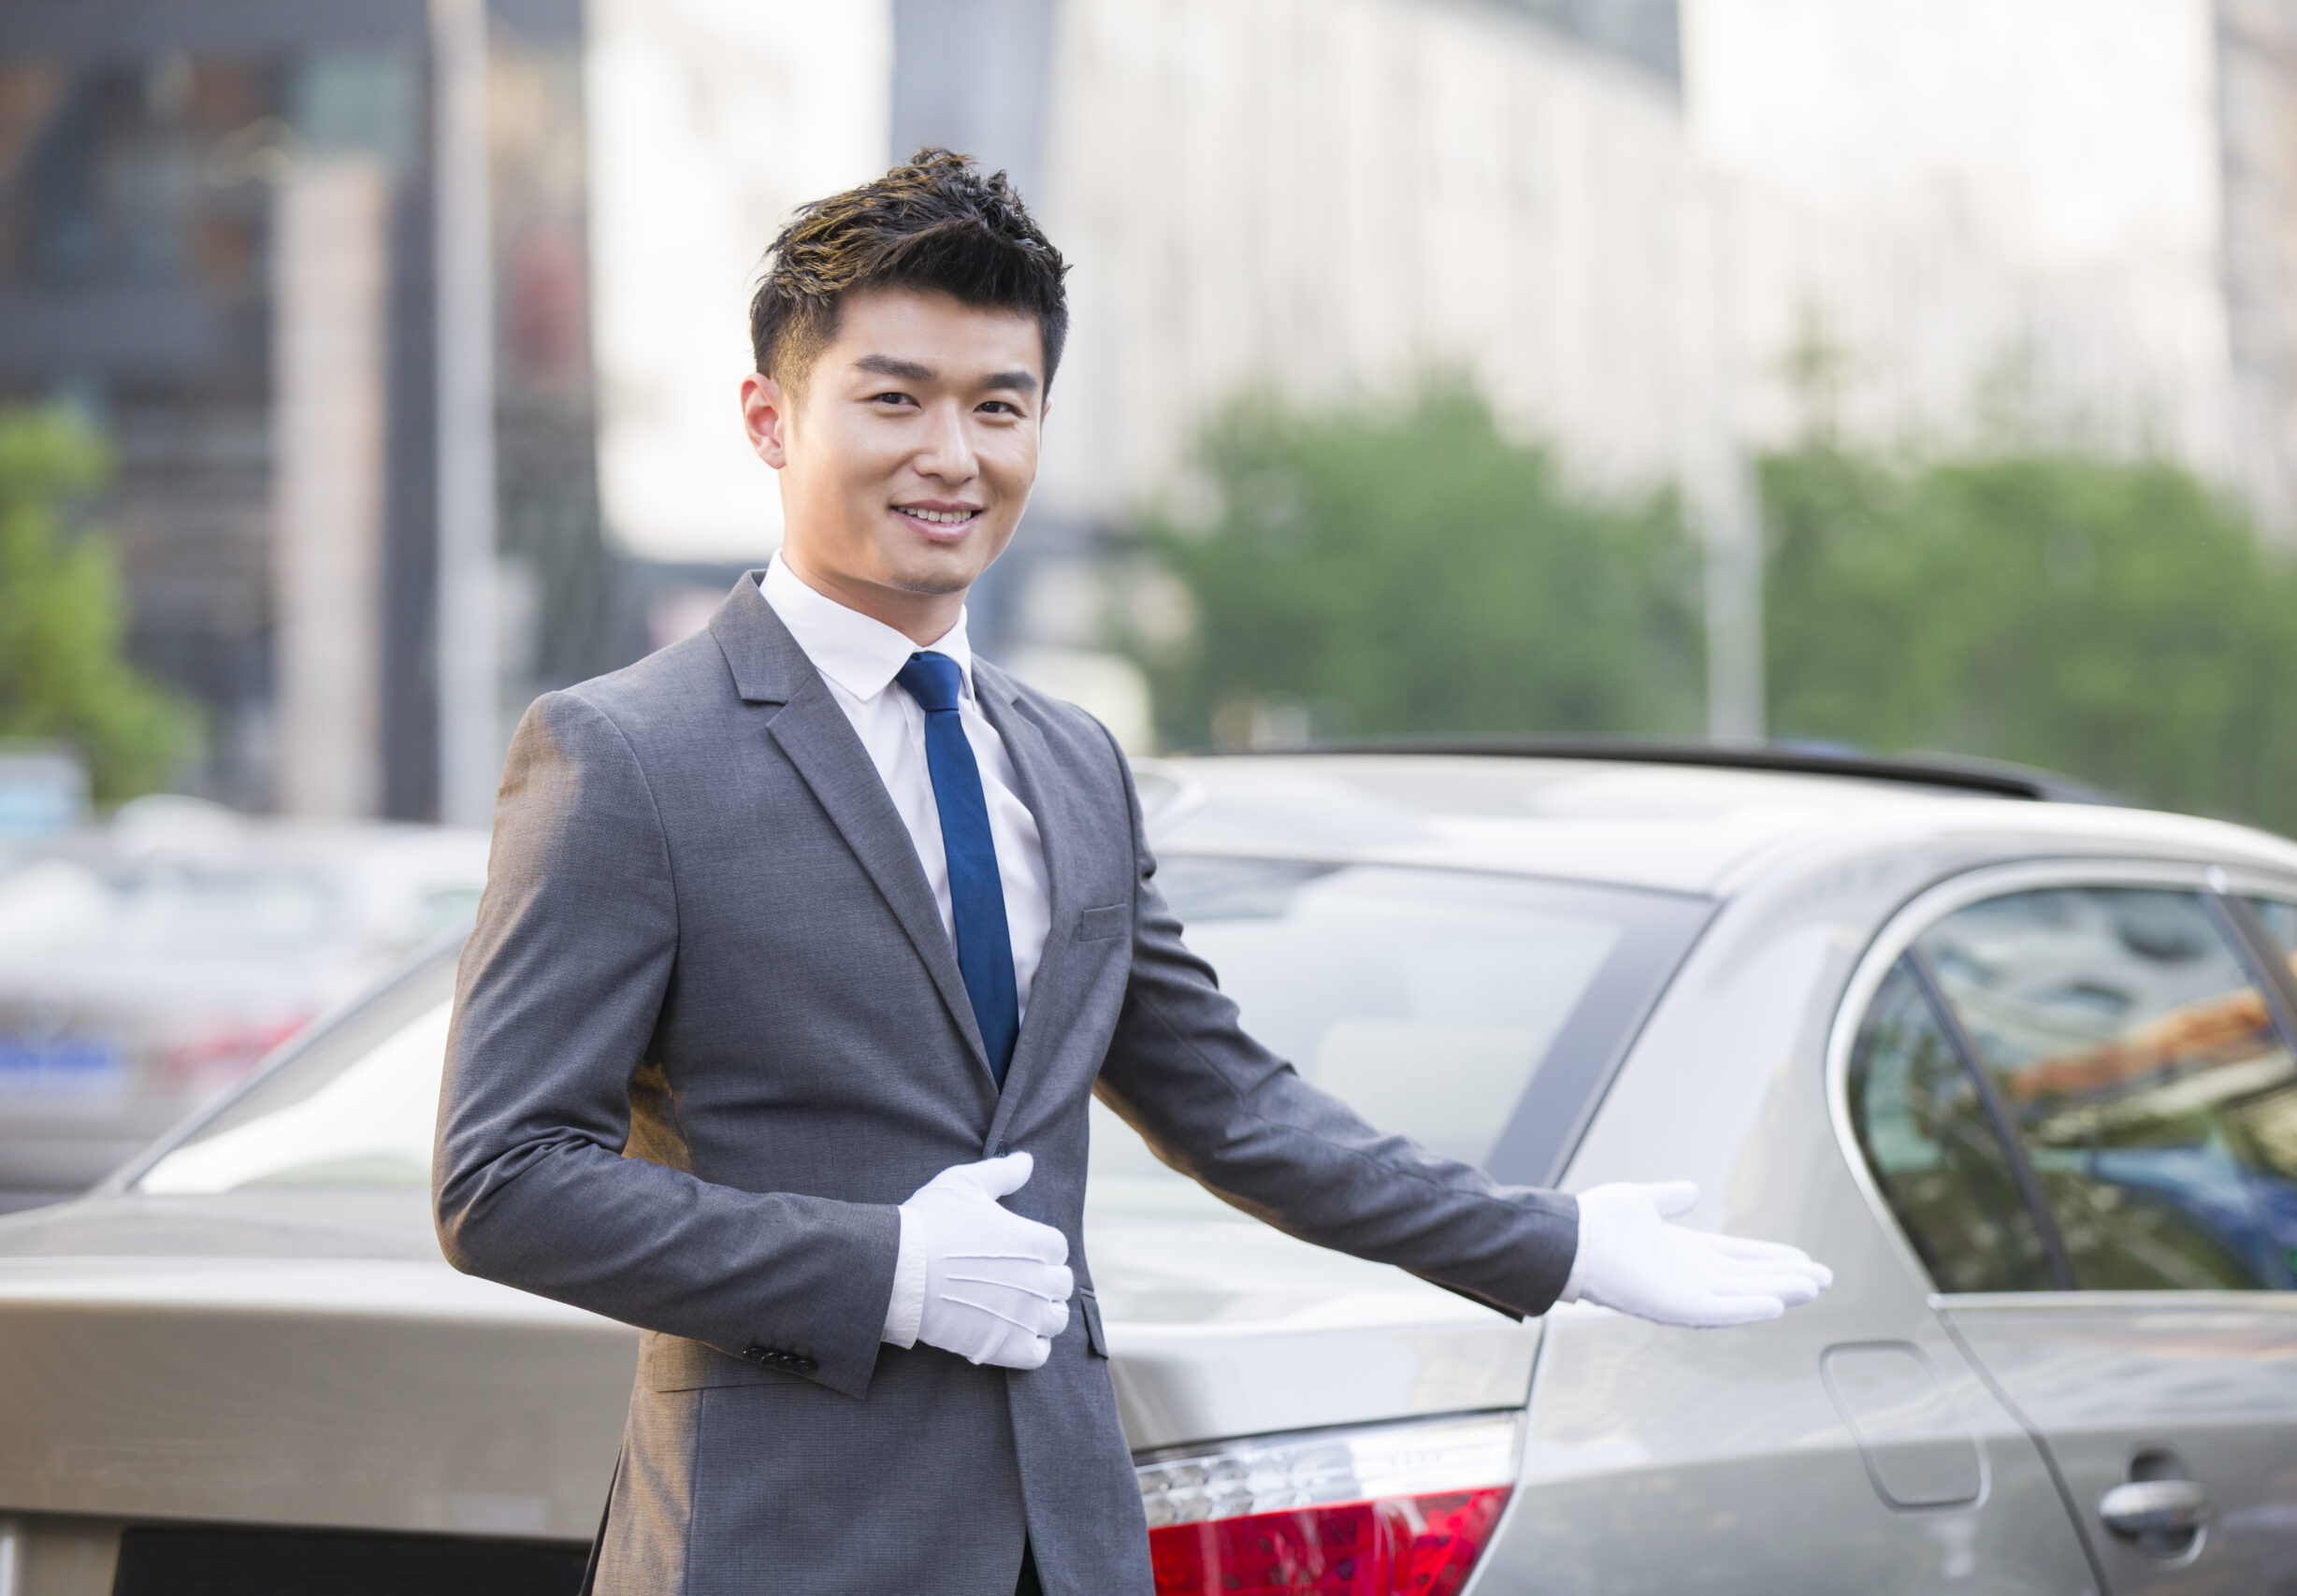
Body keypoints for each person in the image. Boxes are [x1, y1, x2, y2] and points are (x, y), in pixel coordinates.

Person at [435, 149, 1830, 1596]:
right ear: (770, 421)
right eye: (894, 397)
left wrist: (1558, 1242)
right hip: (778, 1546)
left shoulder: (1072, 760)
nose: (952, 455)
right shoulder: (623, 755)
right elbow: (504, 1180)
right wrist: (883, 1269)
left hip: (1069, 1537)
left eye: (999, 406)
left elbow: (1234, 1104)